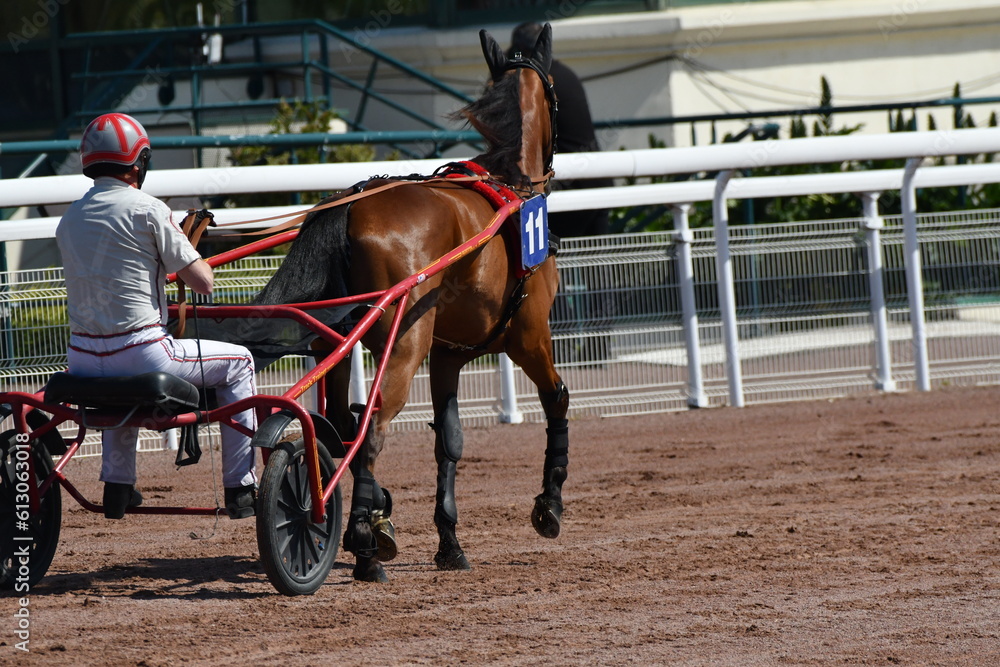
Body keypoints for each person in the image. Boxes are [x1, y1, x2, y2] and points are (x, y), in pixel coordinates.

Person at [56, 112, 258, 520]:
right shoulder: (150, 209)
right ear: (139, 162)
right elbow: (204, 283)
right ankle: (241, 487)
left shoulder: (69, 218)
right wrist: (184, 248)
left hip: (80, 359)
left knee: (117, 381)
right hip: (146, 354)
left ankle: (117, 487)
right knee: (241, 363)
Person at [507, 21, 614, 238]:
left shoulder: (538, 83)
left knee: (526, 245)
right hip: (597, 178)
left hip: (572, 185)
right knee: (599, 266)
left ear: (527, 52)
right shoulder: (564, 72)